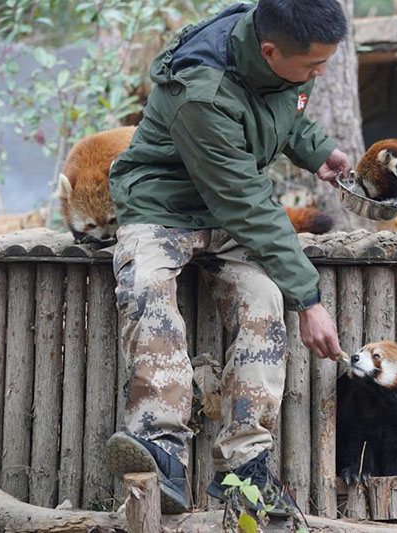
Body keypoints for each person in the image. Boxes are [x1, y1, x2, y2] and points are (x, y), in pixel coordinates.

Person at [103, 0, 349, 516]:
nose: (320, 72)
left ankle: (245, 466)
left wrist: (317, 151)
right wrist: (309, 298)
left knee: (263, 299)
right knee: (146, 285)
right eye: (313, 64)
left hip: (229, 209)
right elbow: (245, 203)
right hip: (162, 204)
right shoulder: (204, 91)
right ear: (268, 50)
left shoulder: (285, 55)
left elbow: (285, 106)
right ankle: (159, 448)